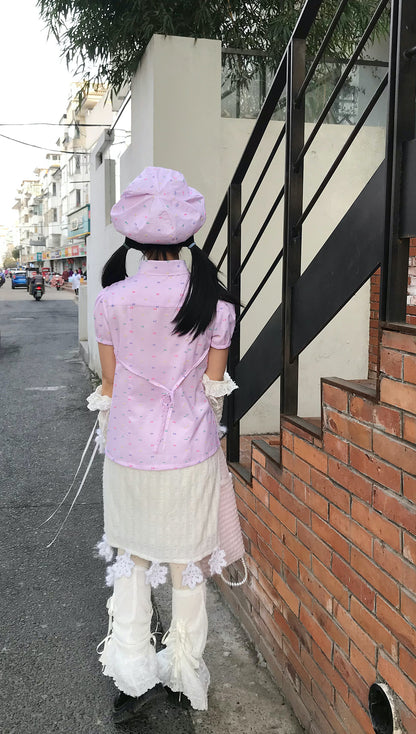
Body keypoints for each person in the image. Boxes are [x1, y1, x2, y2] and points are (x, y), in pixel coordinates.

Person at [89, 167, 245, 724]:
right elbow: (212, 391)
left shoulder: (111, 301)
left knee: (131, 565)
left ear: (133, 237)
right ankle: (183, 673)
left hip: (129, 457)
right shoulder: (216, 306)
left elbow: (109, 389)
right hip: (190, 457)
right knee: (188, 570)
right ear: (187, 234)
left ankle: (131, 673)